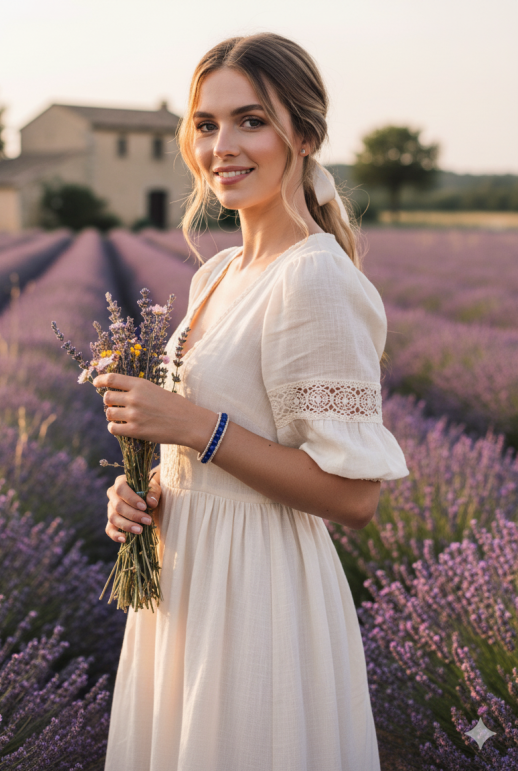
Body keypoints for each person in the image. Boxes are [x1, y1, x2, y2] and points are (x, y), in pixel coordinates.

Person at [96, 32, 409, 771]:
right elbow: (205, 458)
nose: (222, 145)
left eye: (250, 120)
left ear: (303, 134)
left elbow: (355, 495)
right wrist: (147, 491)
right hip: (187, 585)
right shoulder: (221, 272)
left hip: (259, 597)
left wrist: (195, 428)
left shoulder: (315, 279)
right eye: (205, 124)